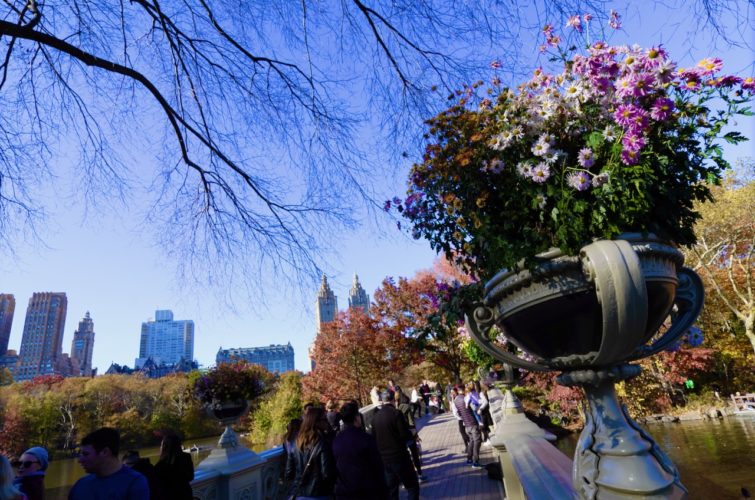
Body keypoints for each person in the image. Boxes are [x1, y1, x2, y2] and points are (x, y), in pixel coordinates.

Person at [68, 427, 149, 500]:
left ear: (105, 452)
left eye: (86, 454)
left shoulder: (135, 483)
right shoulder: (80, 485)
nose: (80, 460)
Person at [331, 402, 388, 499]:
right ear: (356, 417)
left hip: (345, 491)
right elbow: (377, 467)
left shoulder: (336, 440)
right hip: (367, 490)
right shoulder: (366, 439)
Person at [371, 390, 419, 500]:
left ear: (382, 401)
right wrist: (411, 433)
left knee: (392, 491)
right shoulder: (396, 414)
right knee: (412, 486)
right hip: (400, 457)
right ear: (393, 400)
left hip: (385, 460)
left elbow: (374, 438)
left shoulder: (375, 417)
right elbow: (404, 435)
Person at [285, 406, 335, 499]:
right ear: (316, 422)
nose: (327, 422)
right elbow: (326, 474)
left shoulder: (296, 442)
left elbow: (289, 472)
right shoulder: (322, 442)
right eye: (324, 419)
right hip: (319, 493)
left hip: (299, 493)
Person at [154, 434, 194, 499]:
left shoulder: (160, 465)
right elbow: (190, 477)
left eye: (161, 445)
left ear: (164, 447)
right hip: (186, 494)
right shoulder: (186, 457)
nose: (160, 447)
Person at [454, 386, 482, 468]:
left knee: (472, 441)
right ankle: (475, 461)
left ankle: (469, 459)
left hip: (466, 424)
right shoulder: (466, 399)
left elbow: (458, 413)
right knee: (477, 440)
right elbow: (474, 408)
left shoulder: (456, 400)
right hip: (472, 422)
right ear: (463, 390)